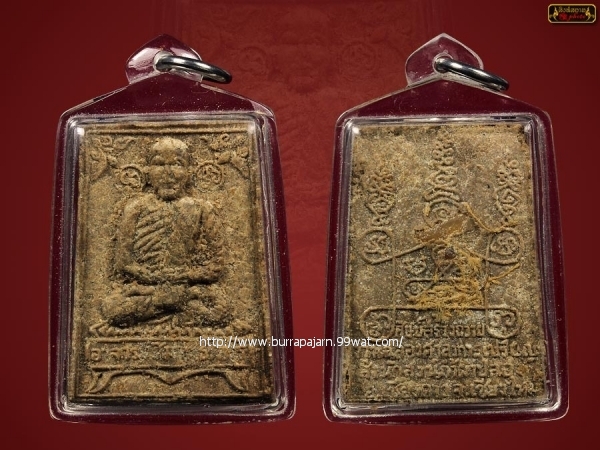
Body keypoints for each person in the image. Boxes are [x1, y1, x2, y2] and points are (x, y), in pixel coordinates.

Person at [102, 137, 229, 327]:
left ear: (189, 172)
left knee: (223, 308)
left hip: (186, 287)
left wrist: (183, 276)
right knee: (112, 308)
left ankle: (165, 306)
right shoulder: (135, 208)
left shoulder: (203, 208)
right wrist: (152, 277)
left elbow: (217, 266)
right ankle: (174, 306)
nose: (167, 173)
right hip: (147, 288)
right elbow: (123, 263)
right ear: (147, 172)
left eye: (177, 164)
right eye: (159, 164)